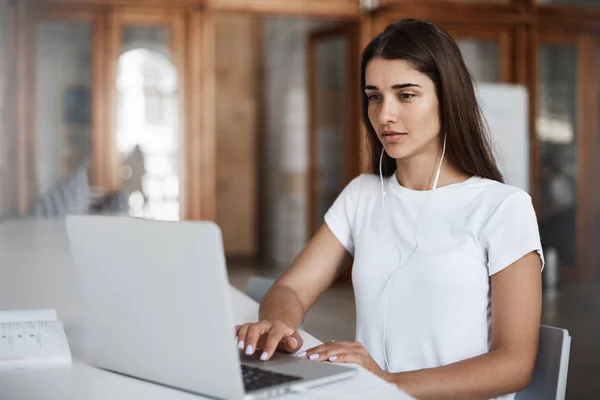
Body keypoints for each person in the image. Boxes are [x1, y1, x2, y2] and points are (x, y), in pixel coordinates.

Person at [235, 19, 543, 400]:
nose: (385, 116)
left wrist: (388, 383)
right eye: (375, 96)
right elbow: (291, 288)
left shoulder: (503, 208)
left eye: (406, 95)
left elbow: (513, 365)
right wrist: (276, 324)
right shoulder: (362, 194)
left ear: (448, 98)